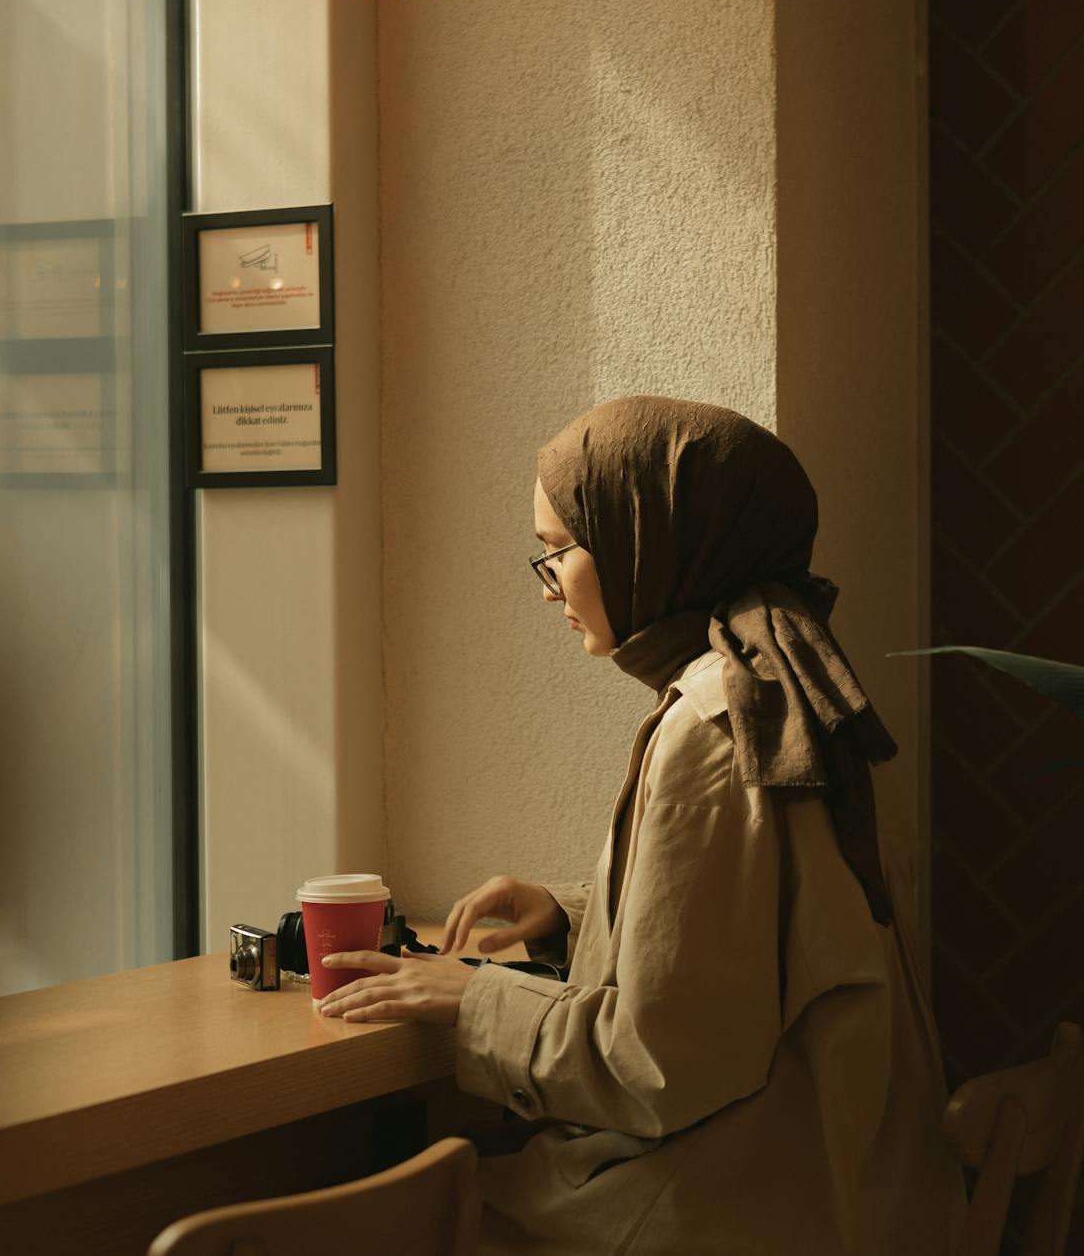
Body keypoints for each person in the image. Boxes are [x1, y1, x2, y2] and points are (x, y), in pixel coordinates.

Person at [319, 395, 968, 1253]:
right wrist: (574, 914)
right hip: (861, 1184)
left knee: (404, 1208)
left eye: (558, 553)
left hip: (747, 1205)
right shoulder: (796, 681)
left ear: (648, 540)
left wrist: (475, 998)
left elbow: (658, 1066)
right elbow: (762, 928)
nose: (551, 588)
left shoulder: (712, 720)